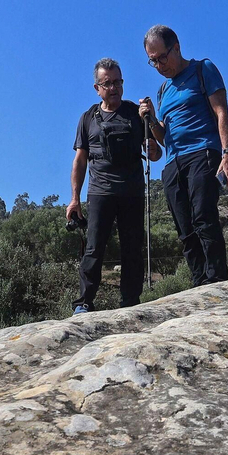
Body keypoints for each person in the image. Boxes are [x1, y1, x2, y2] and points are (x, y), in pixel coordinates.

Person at [138, 25, 228, 287]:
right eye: (153, 61)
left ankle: (216, 279)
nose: (159, 65)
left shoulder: (203, 69)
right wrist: (150, 119)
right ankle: (198, 281)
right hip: (173, 162)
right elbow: (163, 137)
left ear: (177, 47)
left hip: (203, 151)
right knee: (184, 228)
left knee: (204, 215)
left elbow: (221, 112)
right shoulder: (162, 91)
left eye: (162, 57)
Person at [68, 58, 161, 315]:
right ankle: (84, 303)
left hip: (132, 191)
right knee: (94, 247)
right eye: (107, 83)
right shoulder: (88, 118)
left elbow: (155, 154)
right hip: (100, 191)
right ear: (97, 87)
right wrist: (74, 198)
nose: (114, 87)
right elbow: (80, 159)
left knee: (132, 248)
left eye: (118, 82)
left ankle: (130, 302)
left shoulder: (135, 113)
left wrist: (152, 139)